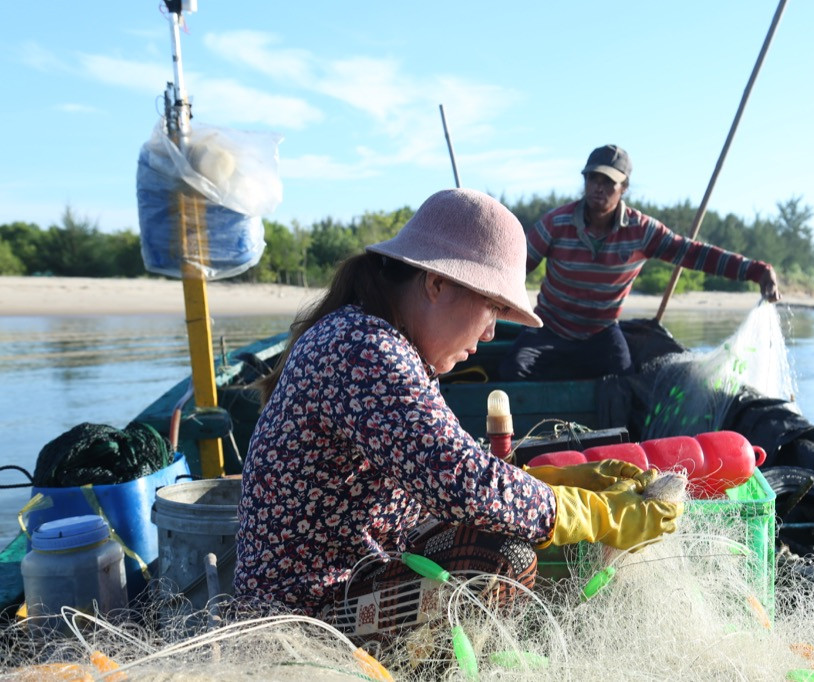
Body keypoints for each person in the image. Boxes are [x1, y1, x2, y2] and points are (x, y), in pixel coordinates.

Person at [233, 188, 682, 635]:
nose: (490, 334)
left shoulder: (383, 340)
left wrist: (551, 483)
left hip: (362, 567)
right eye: (493, 308)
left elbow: (452, 469)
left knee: (502, 521)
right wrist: (592, 513)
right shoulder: (364, 350)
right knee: (502, 560)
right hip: (307, 611)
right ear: (436, 284)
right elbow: (460, 482)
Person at [499, 144, 781, 382]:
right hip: (549, 328)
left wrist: (756, 271)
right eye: (593, 179)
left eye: (608, 182)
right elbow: (515, 267)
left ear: (624, 187)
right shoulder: (556, 222)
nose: (598, 188)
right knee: (512, 371)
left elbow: (694, 254)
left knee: (625, 383)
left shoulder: (641, 231)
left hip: (600, 333)